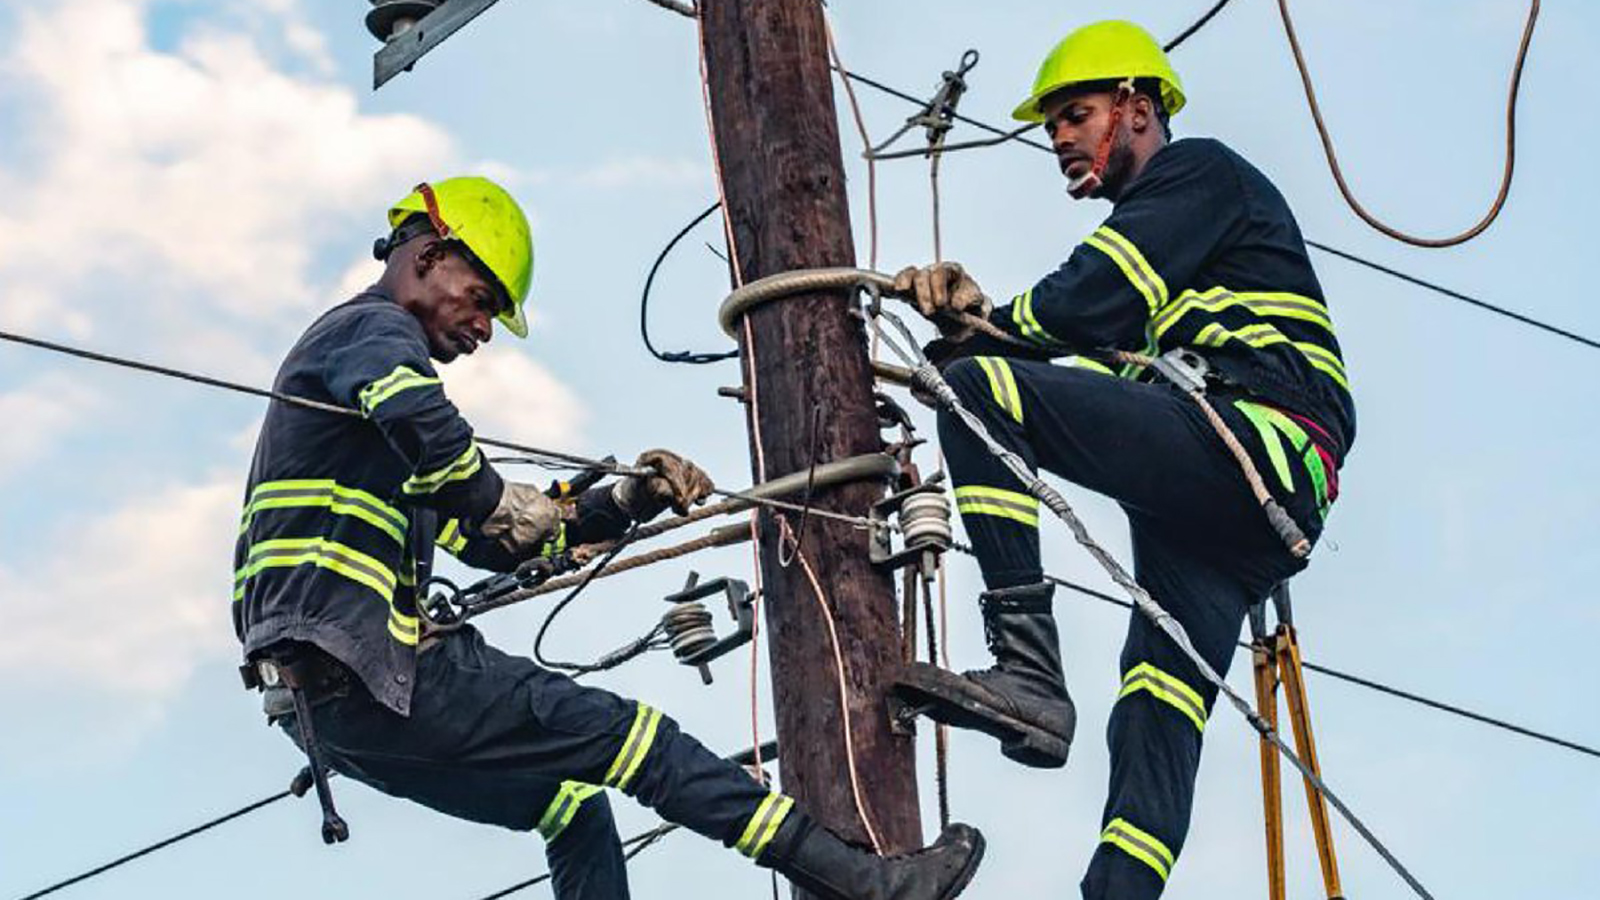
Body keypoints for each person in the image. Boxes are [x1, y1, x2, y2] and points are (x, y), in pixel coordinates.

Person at [232, 176, 985, 900]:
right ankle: (865, 882)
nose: (484, 328)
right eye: (483, 300)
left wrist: (625, 499)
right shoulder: (368, 333)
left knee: (571, 808)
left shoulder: (378, 432)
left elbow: (492, 540)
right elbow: (423, 424)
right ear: (429, 255)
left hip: (326, 712)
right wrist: (495, 495)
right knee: (639, 742)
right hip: (365, 675)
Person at [888, 20, 1354, 900]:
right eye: (1052, 126)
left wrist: (988, 332)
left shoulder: (1199, 175)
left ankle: (1029, 672)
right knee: (1153, 714)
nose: (1060, 138)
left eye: (1077, 114)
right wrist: (987, 332)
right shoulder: (1173, 277)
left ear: (1138, 109)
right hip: (1230, 518)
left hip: (1258, 440)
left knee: (981, 394)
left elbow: (1096, 290)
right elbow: (1093, 345)